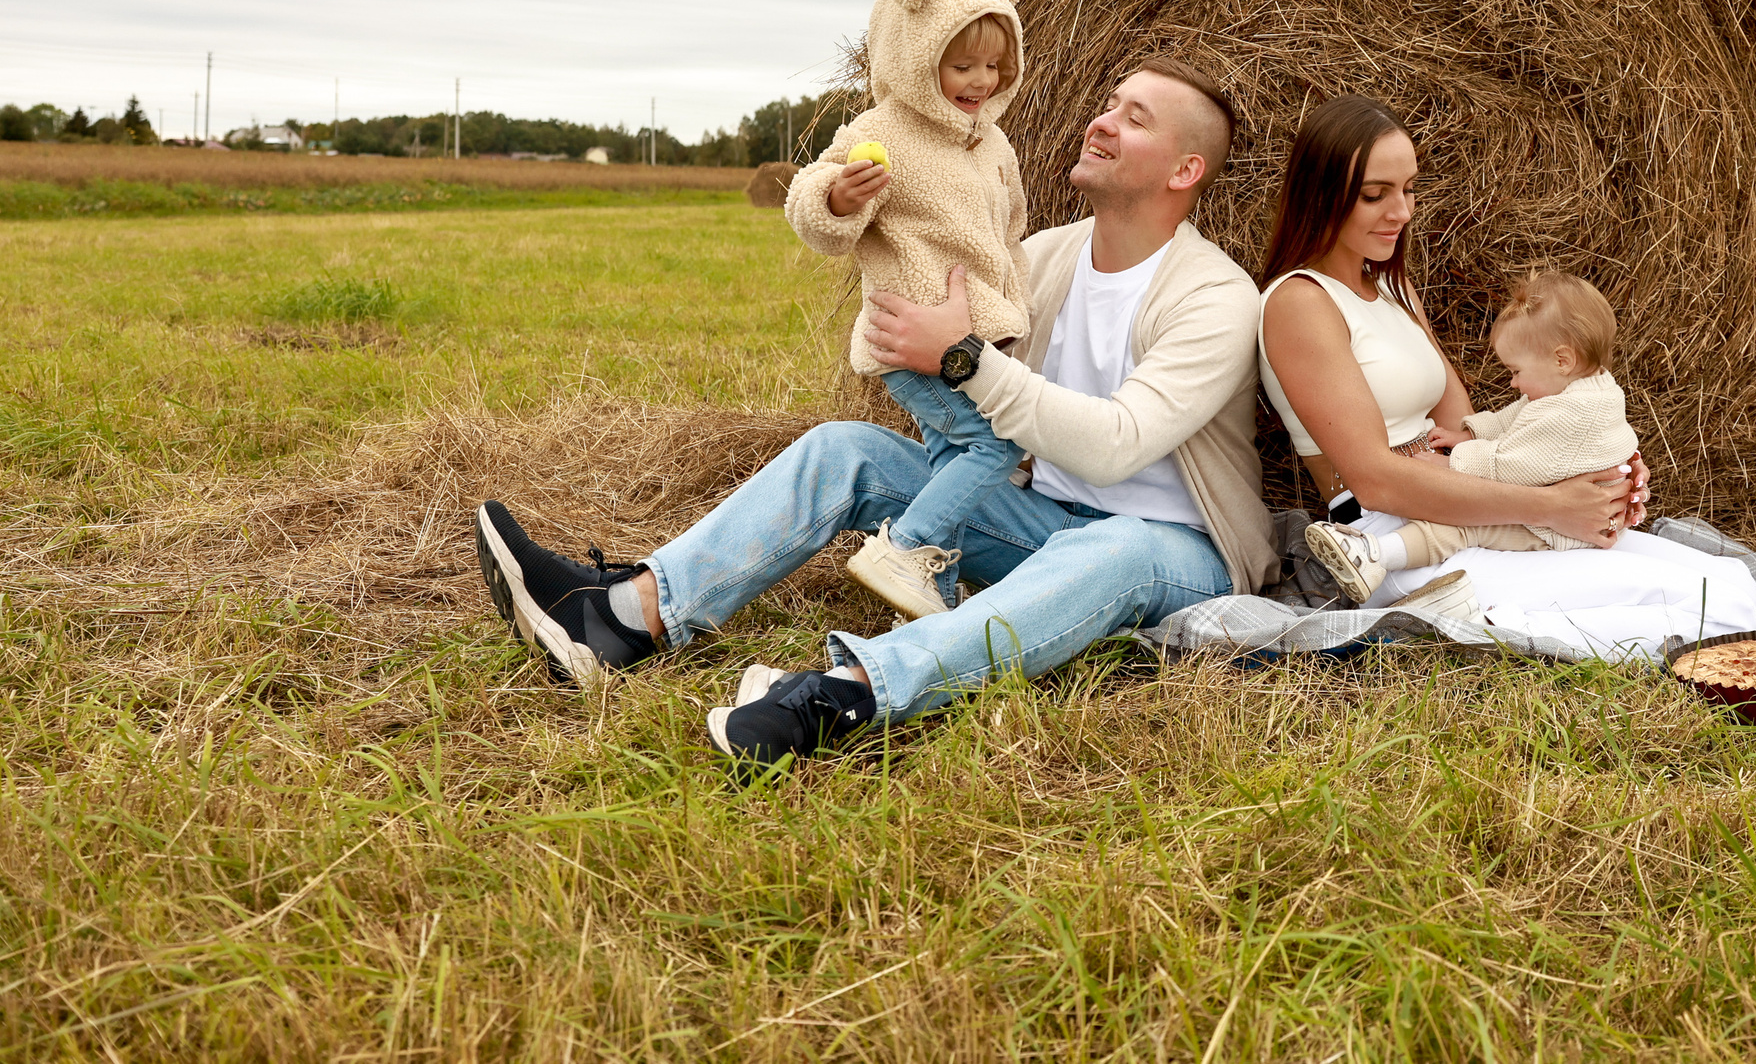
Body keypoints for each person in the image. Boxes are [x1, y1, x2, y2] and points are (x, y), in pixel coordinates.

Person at [471, 57, 1272, 772]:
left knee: (1112, 551)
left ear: (1185, 168)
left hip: (1173, 551)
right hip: (1041, 518)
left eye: (1136, 118)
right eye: (1110, 101)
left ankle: (848, 692)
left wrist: (961, 355)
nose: (1101, 119)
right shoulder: (1045, 254)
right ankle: (624, 615)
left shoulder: (1216, 296)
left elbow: (1115, 444)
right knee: (845, 449)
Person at [1255, 96, 1644, 623]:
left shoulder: (1395, 288)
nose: (1402, 212)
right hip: (1391, 531)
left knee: (1698, 580)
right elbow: (1374, 479)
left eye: (1409, 189)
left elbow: (1462, 427)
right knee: (1658, 600)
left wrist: (1593, 470)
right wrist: (1557, 506)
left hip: (1467, 501)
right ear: (1321, 194)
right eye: (1375, 195)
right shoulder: (1299, 302)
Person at [781, 0, 1034, 620]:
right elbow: (812, 198)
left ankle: (928, 601)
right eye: (961, 67)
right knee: (997, 446)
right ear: (917, 58)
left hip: (975, 339)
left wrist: (1016, 314)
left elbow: (1011, 235)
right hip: (910, 338)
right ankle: (908, 546)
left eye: (994, 65)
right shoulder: (882, 130)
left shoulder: (993, 143)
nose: (981, 81)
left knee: (952, 463)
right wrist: (836, 196)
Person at [1299, 270, 1639, 603]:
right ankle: (1375, 552)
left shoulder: (1573, 412)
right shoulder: (1588, 390)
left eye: (1516, 371)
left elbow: (1510, 467)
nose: (1513, 383)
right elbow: (1514, 418)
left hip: (1555, 532)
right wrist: (1470, 433)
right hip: (1555, 513)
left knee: (1463, 529)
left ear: (1562, 359)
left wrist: (1449, 465)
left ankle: (1376, 555)